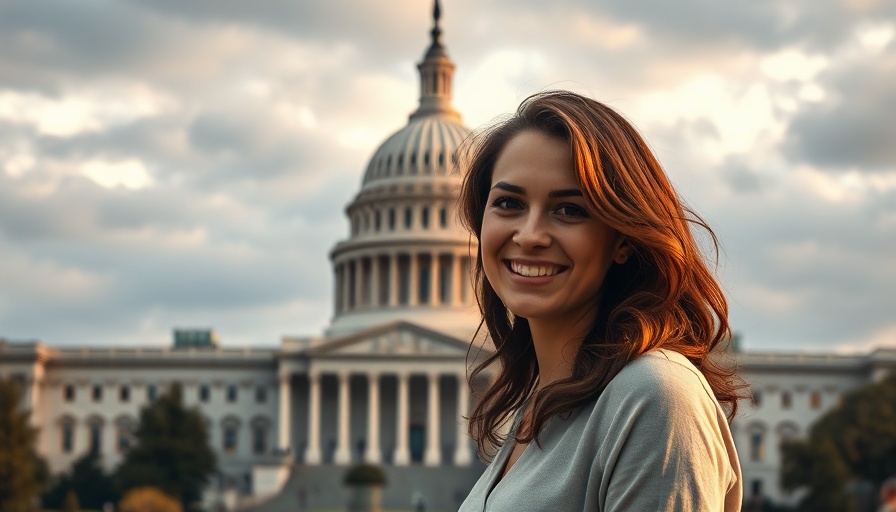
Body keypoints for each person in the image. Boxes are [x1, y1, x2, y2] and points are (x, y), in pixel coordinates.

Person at [456, 91, 745, 511]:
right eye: (508, 203)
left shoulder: (656, 397)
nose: (530, 235)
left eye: (570, 210)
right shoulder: (541, 406)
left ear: (623, 239)